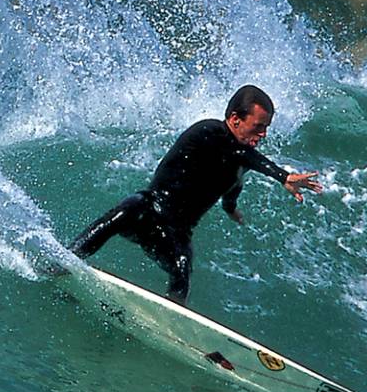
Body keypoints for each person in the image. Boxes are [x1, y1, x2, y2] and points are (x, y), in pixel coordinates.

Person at [68, 85, 322, 305]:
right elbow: (241, 155)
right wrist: (282, 176)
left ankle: (172, 318)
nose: (263, 134)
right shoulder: (207, 131)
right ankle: (67, 261)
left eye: (265, 128)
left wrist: (230, 208)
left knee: (182, 266)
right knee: (128, 209)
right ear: (235, 119)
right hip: (149, 211)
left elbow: (233, 186)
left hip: (174, 233)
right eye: (258, 127)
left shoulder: (240, 162)